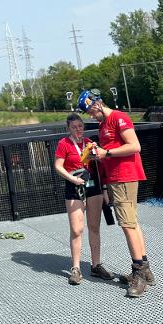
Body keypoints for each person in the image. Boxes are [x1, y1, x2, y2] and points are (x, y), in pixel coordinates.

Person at [77, 89, 155, 298]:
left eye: (90, 112)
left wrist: (107, 152)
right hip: (115, 178)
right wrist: (99, 155)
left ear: (96, 104)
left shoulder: (118, 117)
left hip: (124, 176)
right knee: (133, 223)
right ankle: (145, 270)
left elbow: (135, 146)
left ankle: (139, 273)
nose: (91, 116)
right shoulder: (103, 124)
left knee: (127, 225)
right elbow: (110, 152)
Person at [54, 113, 114, 285]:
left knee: (94, 227)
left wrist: (104, 190)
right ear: (68, 128)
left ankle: (96, 265)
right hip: (74, 185)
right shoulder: (63, 143)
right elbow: (58, 166)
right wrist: (72, 179)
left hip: (93, 186)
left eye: (80, 126)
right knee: (76, 229)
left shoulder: (89, 143)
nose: (78, 129)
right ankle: (76, 268)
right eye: (74, 127)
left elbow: (101, 168)